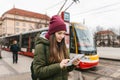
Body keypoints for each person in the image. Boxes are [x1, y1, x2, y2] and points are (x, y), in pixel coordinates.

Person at [32, 15, 80, 80]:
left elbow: (65, 69)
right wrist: (59, 66)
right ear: (52, 33)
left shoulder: (62, 46)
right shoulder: (41, 46)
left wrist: (73, 64)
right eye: (59, 33)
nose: (62, 36)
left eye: (64, 33)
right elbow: (38, 72)